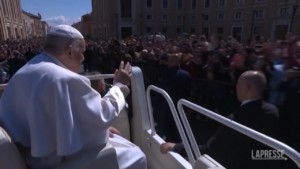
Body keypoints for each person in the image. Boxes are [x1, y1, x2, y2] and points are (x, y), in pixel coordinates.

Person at [0, 25, 146, 169]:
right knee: (137, 156)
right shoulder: (62, 78)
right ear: (70, 51)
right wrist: (119, 86)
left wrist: (95, 129)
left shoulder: (24, 71)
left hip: (31, 159)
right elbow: (102, 115)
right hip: (55, 162)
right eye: (81, 52)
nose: (83, 57)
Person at [160, 71, 280, 169]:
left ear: (246, 88)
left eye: (237, 84)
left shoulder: (236, 120)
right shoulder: (273, 111)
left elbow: (210, 150)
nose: (236, 87)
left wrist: (175, 147)